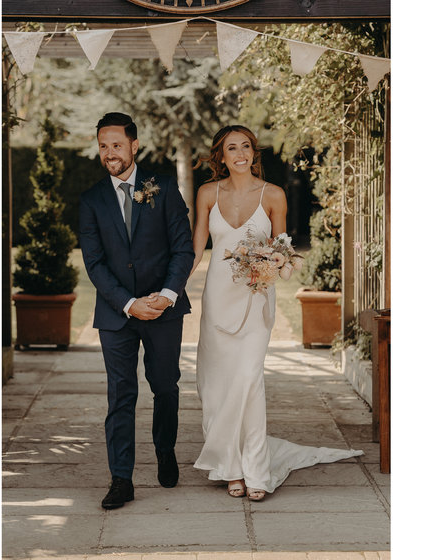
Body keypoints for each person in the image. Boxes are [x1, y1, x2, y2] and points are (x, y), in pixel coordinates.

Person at [190, 125, 362, 502]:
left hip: (255, 301)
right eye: (231, 148)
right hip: (218, 302)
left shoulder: (274, 195)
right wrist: (172, 291)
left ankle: (255, 470)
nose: (240, 154)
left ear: (254, 152)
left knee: (249, 382)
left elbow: (282, 249)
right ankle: (228, 467)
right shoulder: (206, 193)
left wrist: (275, 263)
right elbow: (196, 248)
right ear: (220, 155)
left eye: (246, 147)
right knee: (217, 386)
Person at [78, 112, 196, 510]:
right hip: (116, 314)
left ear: (134, 146)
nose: (109, 153)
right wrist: (129, 304)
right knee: (120, 395)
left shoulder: (161, 187)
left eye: (116, 144)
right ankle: (121, 478)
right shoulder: (91, 199)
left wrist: (164, 296)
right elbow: (94, 263)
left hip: (163, 308)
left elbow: (183, 248)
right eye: (103, 146)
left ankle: (165, 449)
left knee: (165, 385)